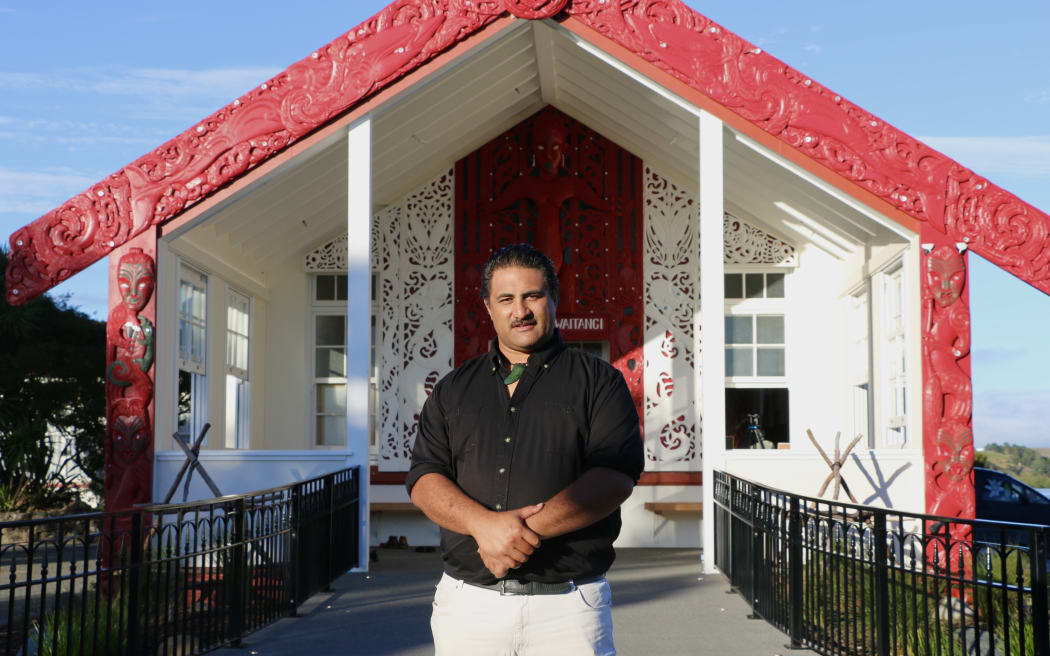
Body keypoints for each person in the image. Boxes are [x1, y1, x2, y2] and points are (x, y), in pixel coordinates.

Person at [406, 243, 644, 655]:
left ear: (553, 299)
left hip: (568, 609)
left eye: (533, 295)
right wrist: (484, 525)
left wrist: (516, 535)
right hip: (468, 608)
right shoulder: (453, 389)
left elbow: (614, 476)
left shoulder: (599, 382)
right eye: (506, 299)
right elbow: (425, 476)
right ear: (488, 307)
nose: (521, 310)